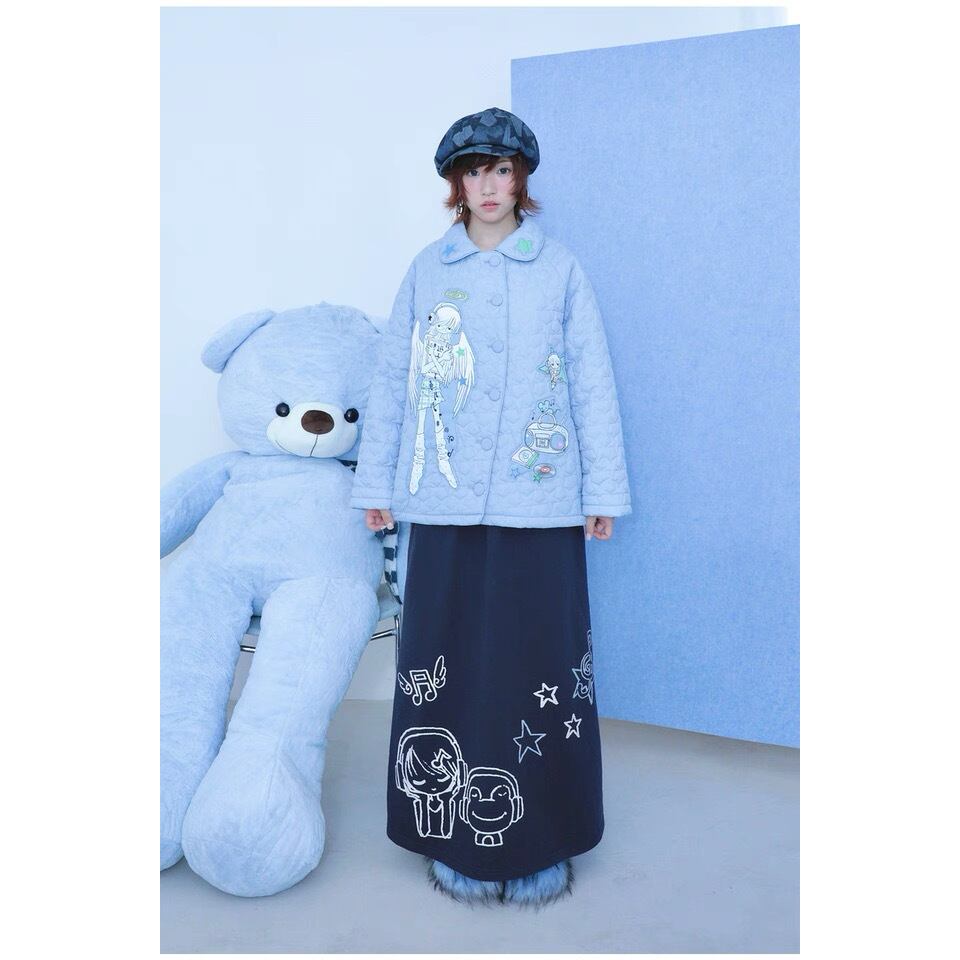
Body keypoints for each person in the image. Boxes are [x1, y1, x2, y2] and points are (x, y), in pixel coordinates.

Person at [350, 107, 632, 907]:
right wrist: (375, 486)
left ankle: (540, 839)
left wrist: (603, 491)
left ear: (521, 179)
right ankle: (453, 838)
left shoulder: (560, 269)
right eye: (474, 172)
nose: (489, 186)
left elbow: (592, 380)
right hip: (442, 501)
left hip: (539, 502)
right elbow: (395, 381)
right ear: (457, 183)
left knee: (535, 663)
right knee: (446, 661)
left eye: (502, 170)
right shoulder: (427, 270)